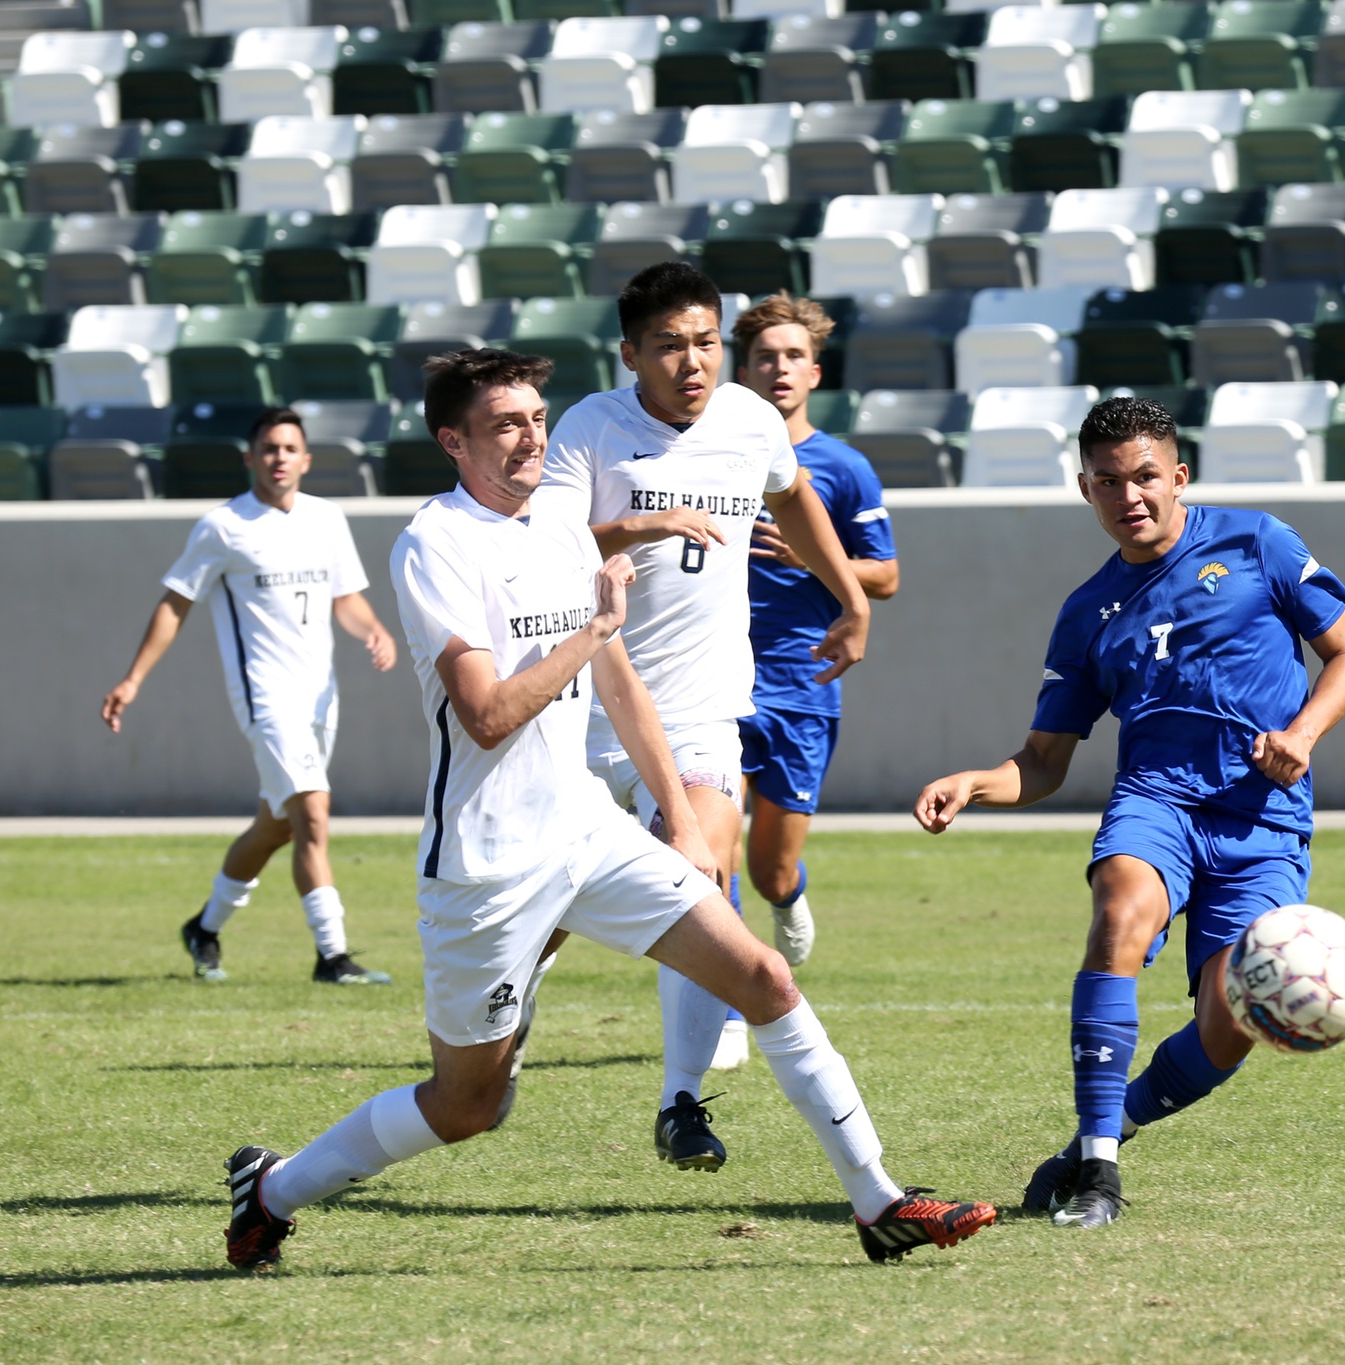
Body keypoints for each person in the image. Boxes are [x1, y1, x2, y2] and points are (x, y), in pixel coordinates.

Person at [221, 347, 994, 1271]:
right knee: (472, 1105)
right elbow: (489, 713)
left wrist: (677, 812)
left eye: (537, 418)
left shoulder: (556, 515)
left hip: (587, 830)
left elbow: (617, 677)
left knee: (767, 980)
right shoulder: (433, 542)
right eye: (505, 423)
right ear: (452, 441)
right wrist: (594, 629)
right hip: (488, 866)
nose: (530, 437)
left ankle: (880, 1203)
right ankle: (270, 1190)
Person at [913, 396, 1345, 1230]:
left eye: (1147, 477)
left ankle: (1106, 1129)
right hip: (1155, 803)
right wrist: (979, 781)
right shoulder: (1086, 612)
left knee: (1231, 1024)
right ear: (1085, 489)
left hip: (1261, 818)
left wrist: (1303, 733)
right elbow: (1044, 763)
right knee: (1119, 912)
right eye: (1109, 482)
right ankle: (1099, 1171)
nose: (1131, 495)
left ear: (1180, 475)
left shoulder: (1258, 542)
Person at [539, 262, 877, 1172]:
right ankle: (498, 1023)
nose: (693, 362)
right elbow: (544, 545)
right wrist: (640, 526)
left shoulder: (749, 420)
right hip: (581, 710)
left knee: (703, 872)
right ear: (630, 354)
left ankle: (681, 1099)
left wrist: (848, 592)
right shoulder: (589, 429)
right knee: (546, 910)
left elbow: (791, 490)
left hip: (697, 711)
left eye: (705, 341)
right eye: (669, 345)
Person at [101, 407, 398, 987]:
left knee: (277, 824)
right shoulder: (223, 527)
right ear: (249, 458)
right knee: (313, 812)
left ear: (306, 459)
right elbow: (176, 603)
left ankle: (204, 928)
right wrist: (133, 678)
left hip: (320, 698)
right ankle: (332, 956)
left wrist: (375, 631)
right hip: (266, 698)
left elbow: (347, 600)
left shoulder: (326, 519)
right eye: (268, 448)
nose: (279, 457)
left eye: (290, 448)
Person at [733, 293, 902, 971]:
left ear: (815, 374)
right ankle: (727, 1003)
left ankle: (786, 897)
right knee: (706, 856)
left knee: (769, 869)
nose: (779, 368)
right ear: (740, 372)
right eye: (765, 357)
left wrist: (814, 556)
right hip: (715, 678)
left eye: (793, 356)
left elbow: (885, 576)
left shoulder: (844, 467)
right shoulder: (711, 458)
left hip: (804, 680)